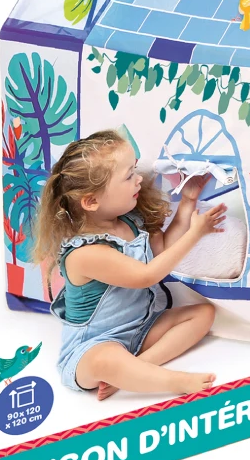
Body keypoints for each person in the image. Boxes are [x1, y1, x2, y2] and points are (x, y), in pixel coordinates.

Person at [35, 130, 225, 400]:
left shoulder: (130, 221)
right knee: (106, 360)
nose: (139, 179)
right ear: (92, 201)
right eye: (128, 176)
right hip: (92, 346)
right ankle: (172, 381)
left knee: (203, 314)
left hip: (140, 330)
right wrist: (195, 234)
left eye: (134, 169)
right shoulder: (85, 253)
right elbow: (147, 275)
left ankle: (138, 367)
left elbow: (162, 252)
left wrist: (188, 201)